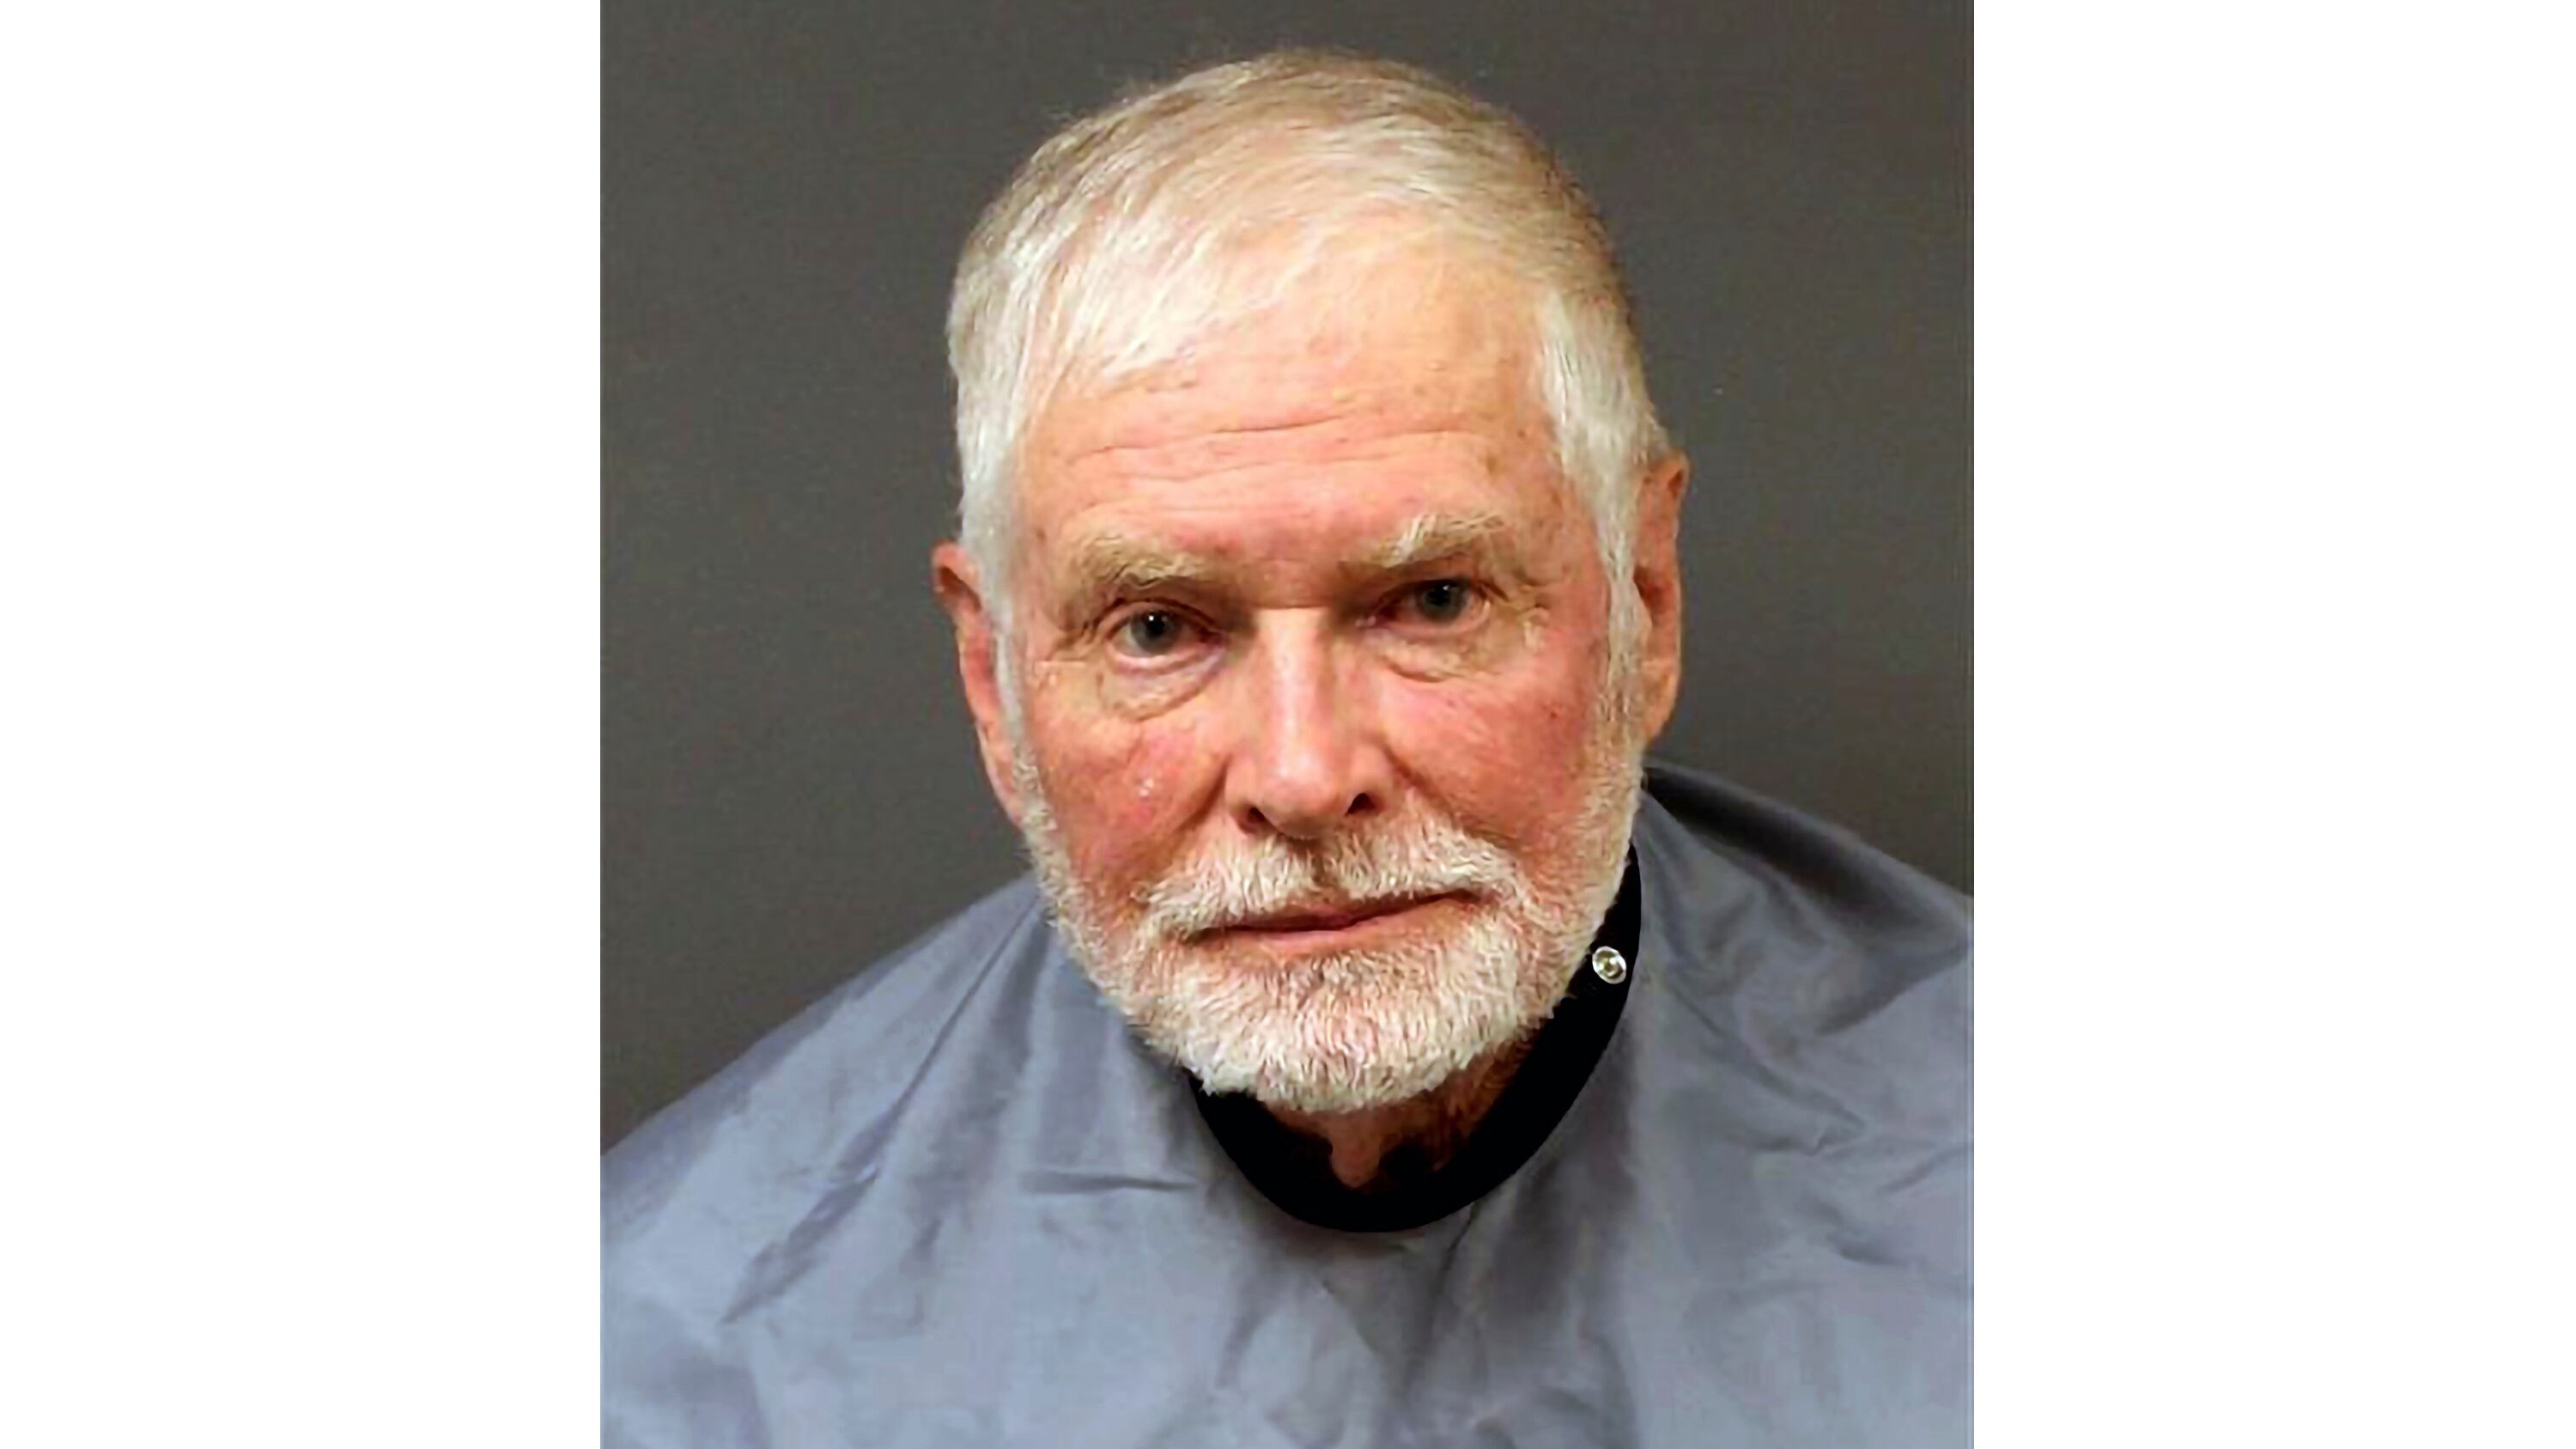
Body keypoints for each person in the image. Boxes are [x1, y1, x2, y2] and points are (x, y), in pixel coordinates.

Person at [605, 50, 1969, 1447]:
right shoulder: (676, 1358)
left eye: (1433, 602)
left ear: (1644, 602)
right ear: (993, 682)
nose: (1305, 778)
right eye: (1156, 630)